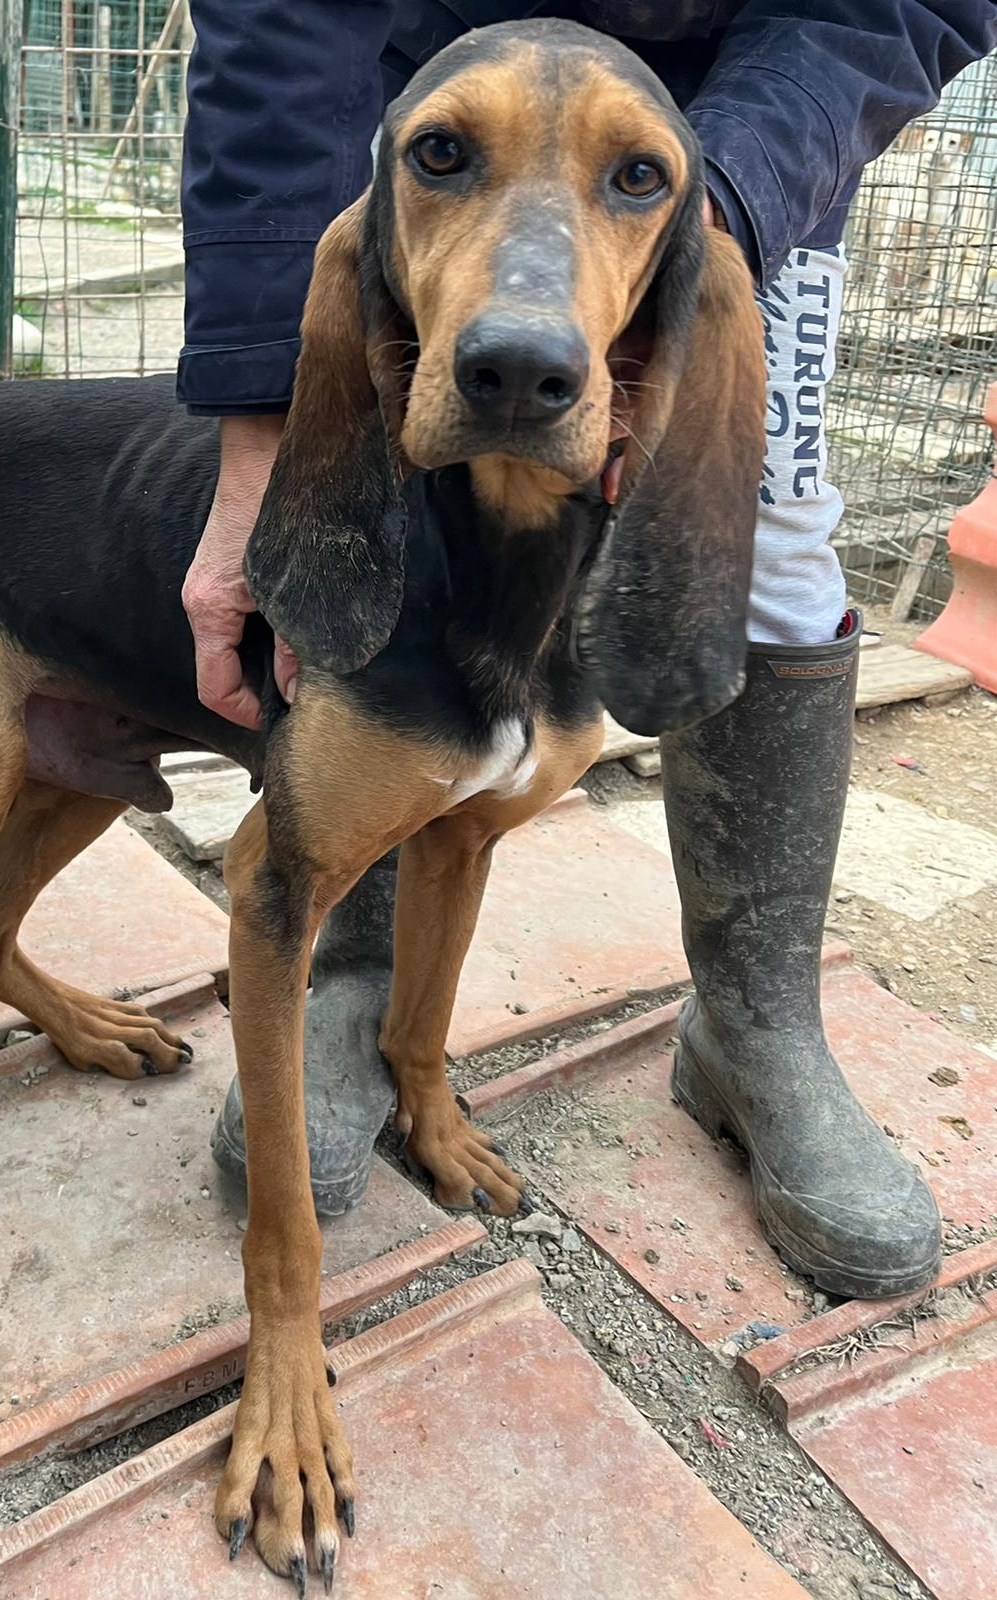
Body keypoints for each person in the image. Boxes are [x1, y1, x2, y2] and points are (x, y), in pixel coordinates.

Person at [178, 2, 997, 1300]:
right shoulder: (406, 185)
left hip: (749, 160)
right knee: (386, 504)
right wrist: (254, 422)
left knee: (776, 547)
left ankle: (754, 1021)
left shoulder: (700, 223)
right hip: (431, 76)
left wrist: (701, 205)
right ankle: (350, 977)